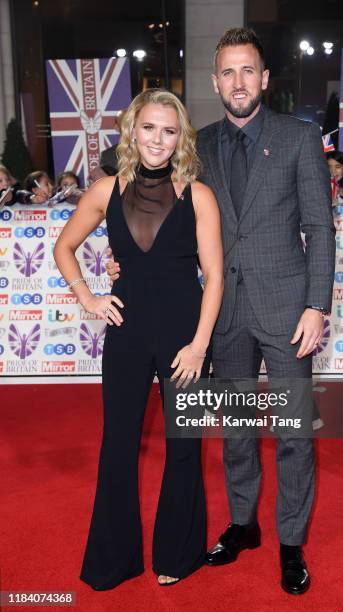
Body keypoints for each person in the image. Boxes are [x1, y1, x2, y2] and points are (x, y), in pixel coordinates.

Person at [107, 27, 335, 595]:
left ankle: (289, 542)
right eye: (227, 72)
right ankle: (242, 524)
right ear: (216, 82)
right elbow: (156, 213)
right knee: (234, 429)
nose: (238, 82)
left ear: (263, 78)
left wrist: (316, 305)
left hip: (286, 309)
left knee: (291, 432)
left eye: (248, 71)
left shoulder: (299, 138)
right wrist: (123, 265)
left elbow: (319, 229)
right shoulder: (196, 145)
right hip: (219, 313)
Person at [53, 89, 224, 589]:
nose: (158, 139)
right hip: (126, 333)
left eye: (169, 131)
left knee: (184, 446)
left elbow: (212, 275)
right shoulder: (106, 190)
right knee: (118, 444)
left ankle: (179, 552)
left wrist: (198, 345)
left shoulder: (199, 193)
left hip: (184, 335)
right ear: (132, 130)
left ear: (181, 137)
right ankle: (113, 560)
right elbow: (65, 247)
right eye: (149, 128)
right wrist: (87, 296)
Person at [99, 108, 127, 173]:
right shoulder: (107, 156)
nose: (129, 126)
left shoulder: (149, 150)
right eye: (125, 123)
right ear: (117, 128)